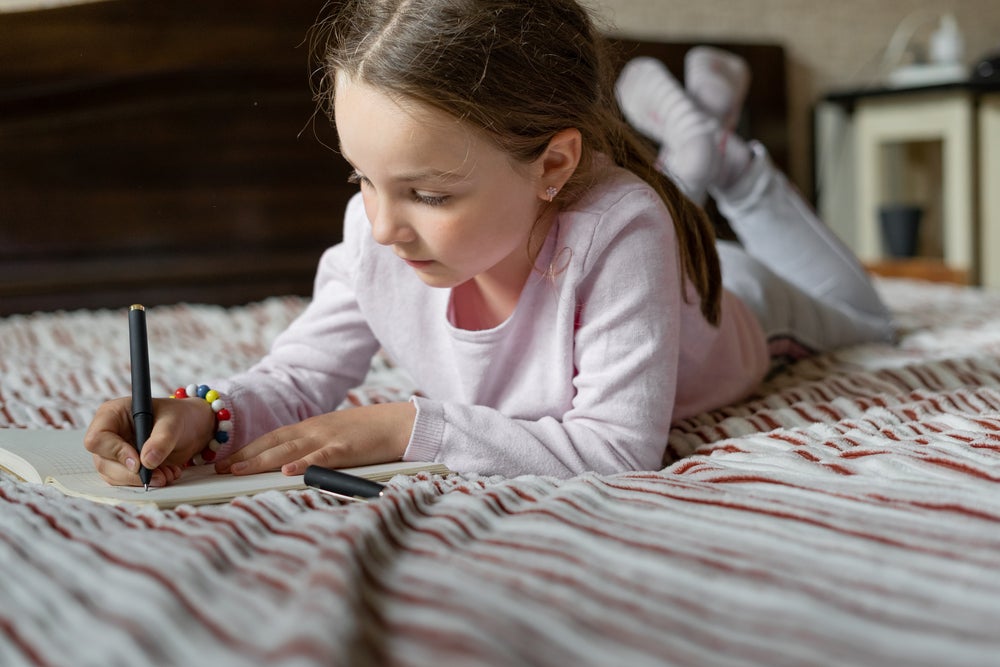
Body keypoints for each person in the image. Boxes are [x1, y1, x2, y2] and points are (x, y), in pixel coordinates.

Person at [84, 0, 894, 487]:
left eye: (428, 194)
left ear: (552, 165)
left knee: (870, 322)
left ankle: (734, 169)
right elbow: (299, 378)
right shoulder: (380, 240)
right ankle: (703, 156)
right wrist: (204, 412)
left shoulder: (621, 226)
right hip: (639, 237)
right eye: (361, 180)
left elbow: (616, 448)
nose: (380, 225)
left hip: (737, 304)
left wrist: (407, 426)